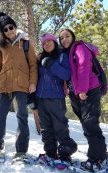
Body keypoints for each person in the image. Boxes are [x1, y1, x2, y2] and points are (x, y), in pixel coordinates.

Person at [0, 12, 37, 160]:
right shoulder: (1, 47)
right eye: (6, 29)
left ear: (15, 27)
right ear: (2, 32)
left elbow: (33, 64)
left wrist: (33, 82)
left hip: (21, 86)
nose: (9, 31)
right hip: (4, 86)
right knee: (0, 114)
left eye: (11, 27)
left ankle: (21, 151)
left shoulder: (26, 43)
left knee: (21, 115)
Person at [59, 29, 108, 172]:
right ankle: (101, 153)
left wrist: (82, 89)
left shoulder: (80, 47)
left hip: (89, 90)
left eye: (67, 36)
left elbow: (84, 67)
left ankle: (97, 158)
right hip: (76, 94)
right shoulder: (66, 54)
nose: (64, 40)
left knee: (90, 123)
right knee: (87, 125)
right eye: (61, 38)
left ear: (73, 37)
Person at [36, 33, 77, 165]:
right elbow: (35, 77)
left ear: (54, 42)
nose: (46, 44)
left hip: (56, 98)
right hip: (41, 98)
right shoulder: (40, 57)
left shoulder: (61, 56)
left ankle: (65, 154)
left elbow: (66, 74)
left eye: (49, 41)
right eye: (44, 43)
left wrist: (51, 64)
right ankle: (50, 153)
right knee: (46, 128)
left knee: (60, 126)